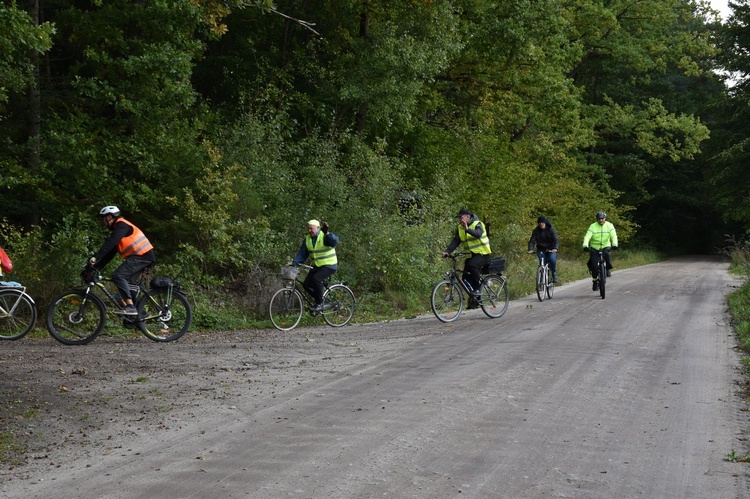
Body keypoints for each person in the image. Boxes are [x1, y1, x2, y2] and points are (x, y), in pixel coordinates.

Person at [84, 206, 156, 316]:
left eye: (102, 219)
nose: (102, 222)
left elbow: (110, 243)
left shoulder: (121, 225)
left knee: (118, 276)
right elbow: (110, 254)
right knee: (128, 283)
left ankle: (130, 307)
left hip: (143, 257)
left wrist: (95, 257)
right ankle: (140, 314)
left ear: (109, 217)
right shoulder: (119, 230)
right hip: (140, 257)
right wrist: (95, 268)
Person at [443, 208, 492, 307]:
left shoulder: (478, 224)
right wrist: (448, 252)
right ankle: (474, 302)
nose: (460, 220)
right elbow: (456, 241)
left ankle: (478, 289)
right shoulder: (460, 228)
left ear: (468, 217)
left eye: (461, 217)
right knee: (465, 277)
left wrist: (467, 229)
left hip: (483, 254)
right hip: (472, 256)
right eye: (459, 218)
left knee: (472, 264)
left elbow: (478, 234)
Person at [292, 219, 339, 312]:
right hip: (318, 266)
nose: (309, 230)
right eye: (308, 229)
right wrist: (294, 263)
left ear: (318, 228)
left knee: (316, 279)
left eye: (311, 228)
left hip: (329, 265)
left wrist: (327, 233)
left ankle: (320, 303)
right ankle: (325, 301)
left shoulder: (324, 236)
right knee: (306, 284)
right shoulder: (308, 239)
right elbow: (302, 253)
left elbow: (334, 241)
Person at [582, 211, 618, 291]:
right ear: (597, 219)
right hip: (594, 247)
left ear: (605, 218)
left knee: (607, 255)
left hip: (605, 246)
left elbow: (613, 235)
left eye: (602, 219)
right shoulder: (593, 226)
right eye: (599, 219)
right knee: (593, 266)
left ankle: (608, 269)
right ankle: (595, 281)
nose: (601, 220)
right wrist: (585, 245)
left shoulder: (609, 225)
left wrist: (615, 244)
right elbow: (587, 237)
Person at [527, 215, 559, 282]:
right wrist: (530, 249)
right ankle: (542, 278)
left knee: (552, 259)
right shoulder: (536, 231)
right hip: (541, 249)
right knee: (542, 262)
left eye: (542, 222)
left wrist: (555, 248)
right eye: (539, 222)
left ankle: (554, 275)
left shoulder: (551, 229)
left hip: (551, 249)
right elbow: (532, 240)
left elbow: (555, 239)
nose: (541, 224)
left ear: (545, 222)